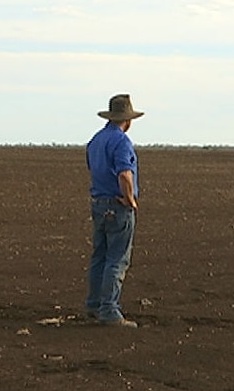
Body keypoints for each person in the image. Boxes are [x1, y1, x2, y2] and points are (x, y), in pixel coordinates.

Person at [85, 94, 143, 328]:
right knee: (117, 259)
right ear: (127, 120)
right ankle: (109, 309)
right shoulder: (121, 142)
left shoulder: (96, 140)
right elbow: (124, 173)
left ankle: (94, 304)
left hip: (98, 203)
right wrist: (130, 199)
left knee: (100, 255)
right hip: (116, 205)